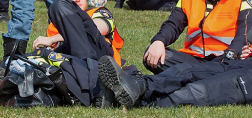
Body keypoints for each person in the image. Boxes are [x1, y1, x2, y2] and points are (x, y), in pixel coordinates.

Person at [98, 52, 252, 108]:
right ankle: (139, 85)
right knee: (187, 70)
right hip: (243, 63)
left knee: (199, 91)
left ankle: (130, 99)